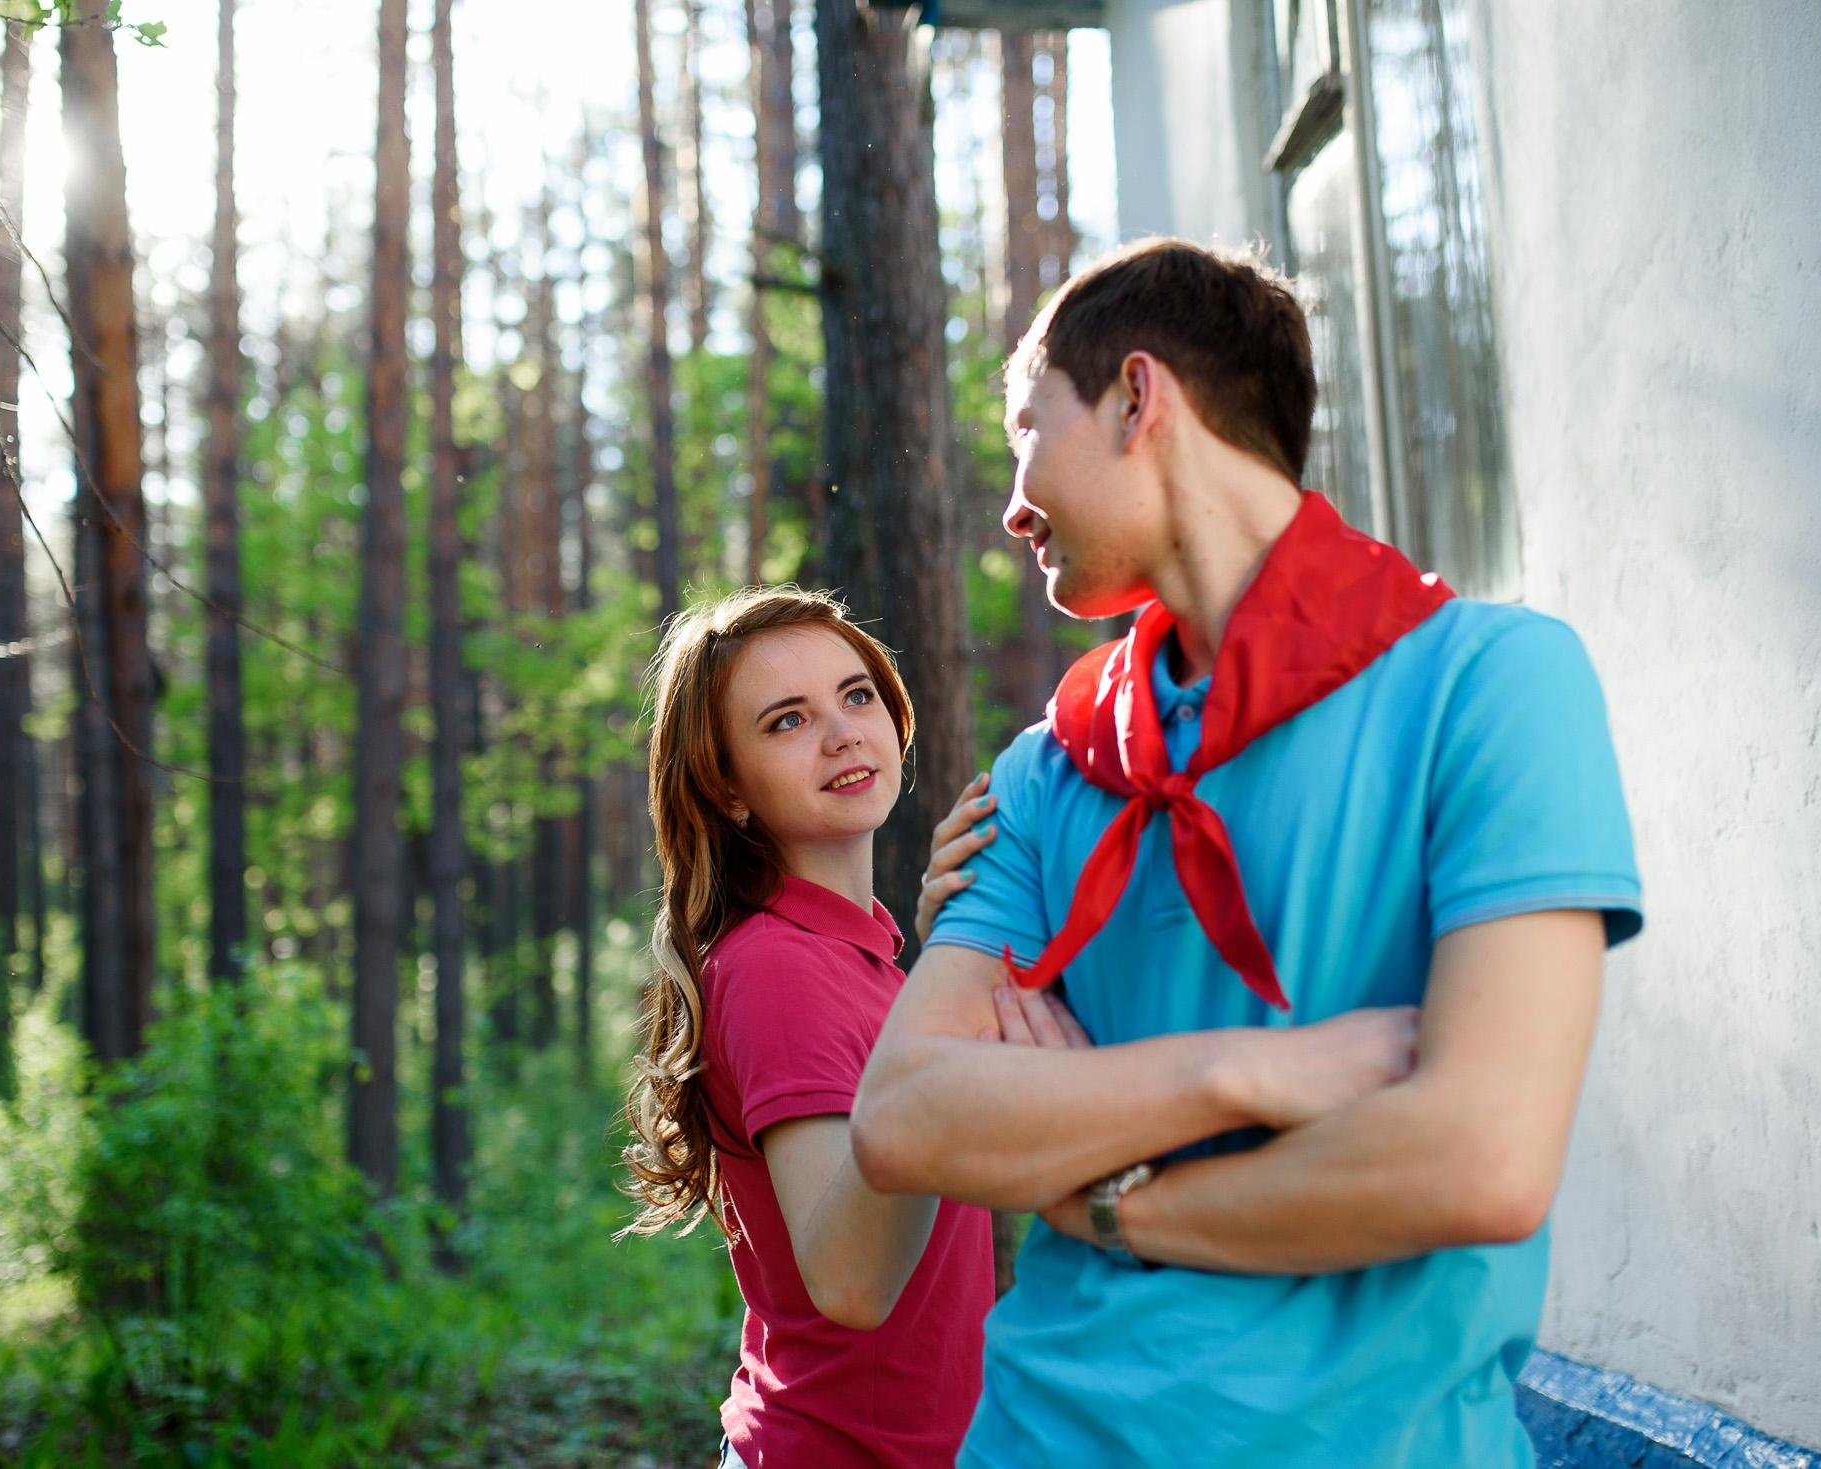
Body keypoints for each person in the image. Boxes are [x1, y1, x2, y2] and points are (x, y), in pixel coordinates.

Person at [852, 238, 1645, 1468]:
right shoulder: (1048, 764)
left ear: (1135, 397)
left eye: (1026, 429)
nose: (1011, 502)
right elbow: (905, 1115)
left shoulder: (1491, 683)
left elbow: (1477, 1157)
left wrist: (1109, 1197)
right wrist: (1242, 1071)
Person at [618, 586, 1419, 1469]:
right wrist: (942, 1037)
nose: (843, 732)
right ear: (727, 786)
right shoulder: (776, 964)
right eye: (785, 721)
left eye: (856, 695)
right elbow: (853, 1281)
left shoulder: (865, 954)